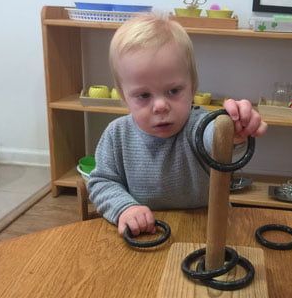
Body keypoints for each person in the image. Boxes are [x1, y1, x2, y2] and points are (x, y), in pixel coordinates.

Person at [88, 14, 267, 237]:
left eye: (173, 91)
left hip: (209, 232)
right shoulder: (117, 134)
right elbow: (101, 182)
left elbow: (219, 141)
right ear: (124, 97)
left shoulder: (200, 125)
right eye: (143, 95)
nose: (161, 106)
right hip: (147, 234)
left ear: (193, 87)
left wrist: (235, 129)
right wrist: (125, 208)